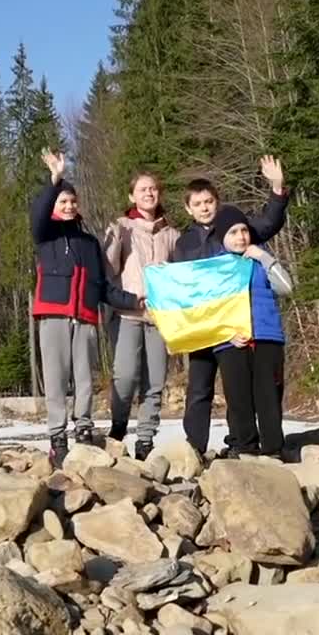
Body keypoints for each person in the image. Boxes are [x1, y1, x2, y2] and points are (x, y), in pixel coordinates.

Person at [171, 156, 289, 456]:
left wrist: (276, 188)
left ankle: (240, 443)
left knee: (239, 388)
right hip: (204, 326)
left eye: (209, 201)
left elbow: (269, 220)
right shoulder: (184, 244)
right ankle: (195, 448)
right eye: (198, 204)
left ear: (217, 201)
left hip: (237, 328)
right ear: (189, 208)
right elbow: (182, 287)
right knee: (199, 388)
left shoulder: (239, 228)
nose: (205, 207)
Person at [31, 149, 140, 466]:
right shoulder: (45, 236)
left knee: (84, 380)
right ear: (54, 205)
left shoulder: (89, 243)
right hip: (53, 318)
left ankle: (83, 429)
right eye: (62, 202)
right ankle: (57, 438)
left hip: (86, 320)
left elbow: (104, 288)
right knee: (55, 380)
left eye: (72, 201)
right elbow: (38, 214)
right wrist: (55, 179)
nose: (68, 206)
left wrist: (134, 301)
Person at [102, 172, 179, 462]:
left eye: (154, 189)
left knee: (155, 382)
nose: (149, 193)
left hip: (160, 317)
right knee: (125, 375)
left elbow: (183, 274)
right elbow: (107, 269)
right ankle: (119, 426)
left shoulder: (171, 233)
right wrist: (113, 240)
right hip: (126, 314)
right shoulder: (122, 227)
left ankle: (145, 439)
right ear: (132, 196)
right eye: (143, 189)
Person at [207, 206, 294, 457]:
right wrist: (225, 334)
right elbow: (209, 309)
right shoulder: (215, 268)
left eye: (244, 230)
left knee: (268, 395)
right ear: (222, 237)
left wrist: (264, 258)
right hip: (231, 341)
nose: (241, 236)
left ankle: (273, 450)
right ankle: (245, 448)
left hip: (267, 337)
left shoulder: (261, 259)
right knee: (238, 398)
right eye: (233, 232)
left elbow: (286, 287)